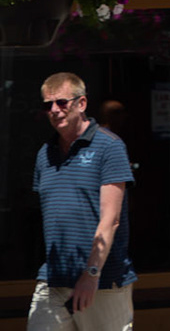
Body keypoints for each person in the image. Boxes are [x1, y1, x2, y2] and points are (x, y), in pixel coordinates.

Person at [30, 72, 135, 331]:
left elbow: (110, 219)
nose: (54, 110)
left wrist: (90, 275)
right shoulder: (45, 153)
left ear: (82, 104)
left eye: (62, 102)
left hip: (102, 282)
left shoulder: (109, 147)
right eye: (48, 105)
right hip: (54, 278)